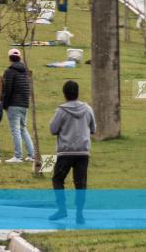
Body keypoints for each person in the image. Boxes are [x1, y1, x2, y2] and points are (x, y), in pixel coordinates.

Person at [48, 80, 96, 222]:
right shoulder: (88, 109)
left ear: (65, 94)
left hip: (65, 152)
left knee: (58, 179)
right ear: (77, 93)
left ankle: (62, 209)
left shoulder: (61, 111)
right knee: (80, 183)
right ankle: (79, 214)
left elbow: (53, 129)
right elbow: (93, 129)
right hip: (83, 152)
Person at [2, 48, 34, 163]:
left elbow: (7, 90)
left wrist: (4, 104)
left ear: (10, 58)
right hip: (24, 104)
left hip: (14, 104)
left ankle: (18, 156)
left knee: (15, 130)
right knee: (23, 129)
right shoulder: (25, 71)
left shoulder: (9, 72)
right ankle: (32, 154)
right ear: (20, 58)